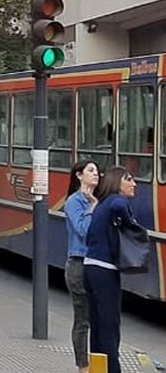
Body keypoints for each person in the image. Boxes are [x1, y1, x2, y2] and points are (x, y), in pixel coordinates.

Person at [83, 166, 143, 373]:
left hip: (90, 267)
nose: (134, 184)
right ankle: (113, 369)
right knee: (110, 325)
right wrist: (132, 224)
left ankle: (98, 368)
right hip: (105, 269)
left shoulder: (102, 204)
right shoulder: (117, 201)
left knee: (98, 325)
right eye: (129, 179)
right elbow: (120, 207)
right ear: (118, 182)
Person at [65, 159, 99, 373]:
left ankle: (98, 361)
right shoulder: (74, 201)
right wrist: (93, 207)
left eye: (97, 171)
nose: (96, 174)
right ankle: (83, 366)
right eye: (91, 170)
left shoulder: (98, 199)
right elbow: (84, 231)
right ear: (79, 175)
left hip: (96, 263)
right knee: (83, 319)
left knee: (99, 318)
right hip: (79, 264)